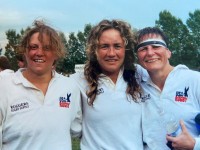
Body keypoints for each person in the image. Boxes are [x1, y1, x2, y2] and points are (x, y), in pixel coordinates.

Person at [0, 20, 81, 150]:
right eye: (33, 47)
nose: (39, 52)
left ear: (56, 53)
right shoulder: (4, 87)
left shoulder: (70, 87)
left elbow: (78, 128)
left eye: (47, 48)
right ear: (25, 52)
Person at [71, 19, 144, 149]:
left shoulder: (139, 74)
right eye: (104, 46)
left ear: (125, 49)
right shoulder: (78, 81)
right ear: (95, 50)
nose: (111, 53)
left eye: (117, 46)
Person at [136, 27, 200, 150]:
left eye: (156, 46)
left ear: (168, 52)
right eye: (143, 48)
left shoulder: (195, 79)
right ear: (138, 56)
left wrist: (195, 144)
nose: (150, 53)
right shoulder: (135, 85)